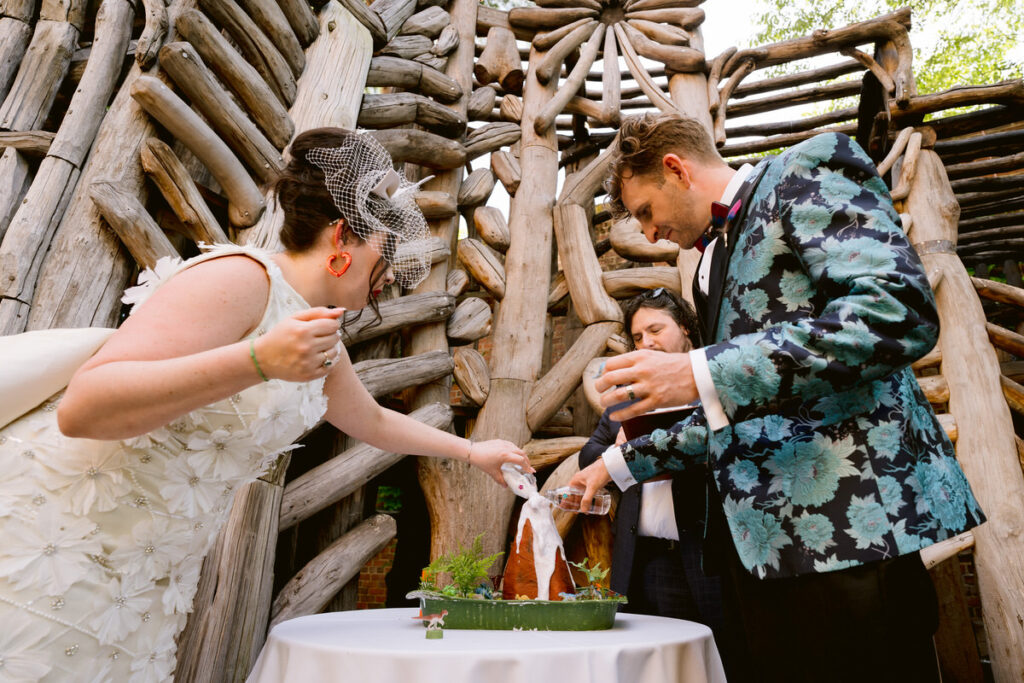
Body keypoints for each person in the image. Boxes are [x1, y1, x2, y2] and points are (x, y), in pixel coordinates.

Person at [0, 129, 531, 682]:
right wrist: (258, 360)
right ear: (343, 236)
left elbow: (369, 420)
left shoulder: (315, 331)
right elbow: (83, 407)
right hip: (66, 539)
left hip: (147, 572)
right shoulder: (240, 278)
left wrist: (474, 453)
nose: (393, 274)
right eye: (386, 252)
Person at [570, 112, 985, 682]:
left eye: (646, 211)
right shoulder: (704, 266)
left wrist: (699, 370)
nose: (646, 233)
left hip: (849, 538)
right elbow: (744, 414)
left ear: (676, 168)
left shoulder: (805, 169)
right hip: (764, 558)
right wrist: (617, 464)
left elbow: (896, 313)